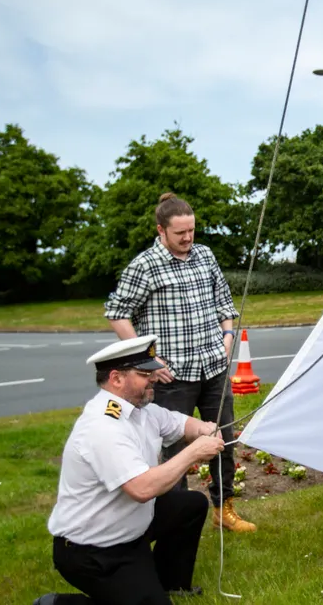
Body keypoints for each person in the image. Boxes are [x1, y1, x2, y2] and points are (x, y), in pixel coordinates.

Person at [103, 192, 255, 533]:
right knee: (174, 455)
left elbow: (224, 302)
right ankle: (176, 522)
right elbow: (116, 313)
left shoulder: (205, 255)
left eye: (192, 231)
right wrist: (147, 359)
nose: (188, 239)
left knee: (223, 440)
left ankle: (223, 508)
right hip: (173, 380)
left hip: (213, 368)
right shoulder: (144, 266)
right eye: (179, 233)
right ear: (161, 230)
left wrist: (227, 336)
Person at [35, 335, 226, 605]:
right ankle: (54, 603)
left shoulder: (140, 410)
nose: (154, 377)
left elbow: (179, 423)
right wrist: (193, 452)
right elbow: (142, 488)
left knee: (191, 504)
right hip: (94, 550)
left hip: (130, 528)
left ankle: (170, 583)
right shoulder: (103, 427)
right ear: (116, 379)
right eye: (143, 373)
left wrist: (204, 429)